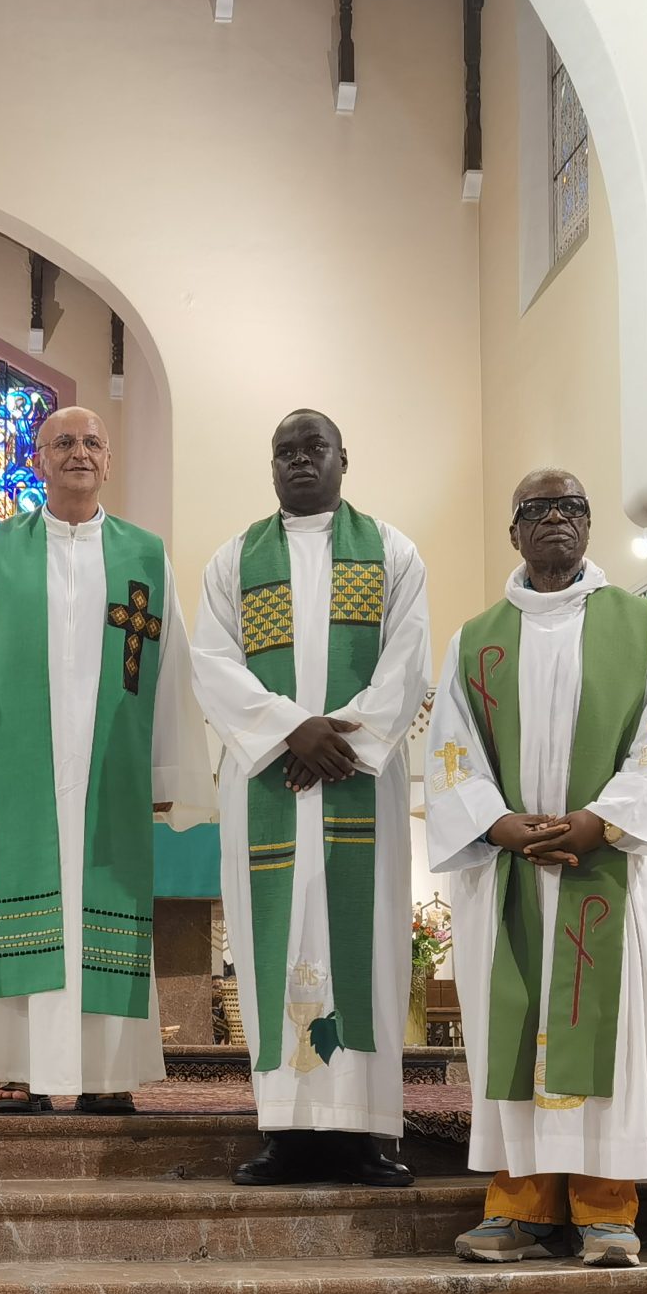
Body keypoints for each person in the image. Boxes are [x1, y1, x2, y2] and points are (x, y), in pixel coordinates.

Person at [424, 471, 647, 1268]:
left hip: (608, 867)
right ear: (513, 533)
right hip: (509, 875)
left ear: (588, 526)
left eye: (570, 508)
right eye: (535, 511)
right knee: (514, 1039)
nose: (554, 521)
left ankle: (609, 1210)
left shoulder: (642, 626)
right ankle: (518, 1206)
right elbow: (450, 754)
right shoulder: (476, 639)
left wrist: (598, 822)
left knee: (611, 1043)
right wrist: (498, 823)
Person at [0, 406, 213, 1115]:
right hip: (21, 769)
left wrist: (160, 773)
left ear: (110, 460)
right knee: (22, 910)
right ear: (39, 460)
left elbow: (171, 667)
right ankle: (17, 1068)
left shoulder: (145, 555)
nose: (79, 453)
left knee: (103, 912)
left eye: (93, 442)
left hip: (108, 774)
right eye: (63, 442)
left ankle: (106, 1070)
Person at [190, 410, 430, 1187]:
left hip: (358, 782)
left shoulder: (393, 552)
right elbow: (213, 663)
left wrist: (339, 744)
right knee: (275, 945)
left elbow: (408, 661)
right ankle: (286, 1131)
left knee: (367, 945)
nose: (299, 463)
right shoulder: (235, 560)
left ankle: (364, 1133)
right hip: (270, 782)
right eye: (285, 452)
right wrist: (293, 731)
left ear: (342, 459)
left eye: (312, 449)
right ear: (272, 467)